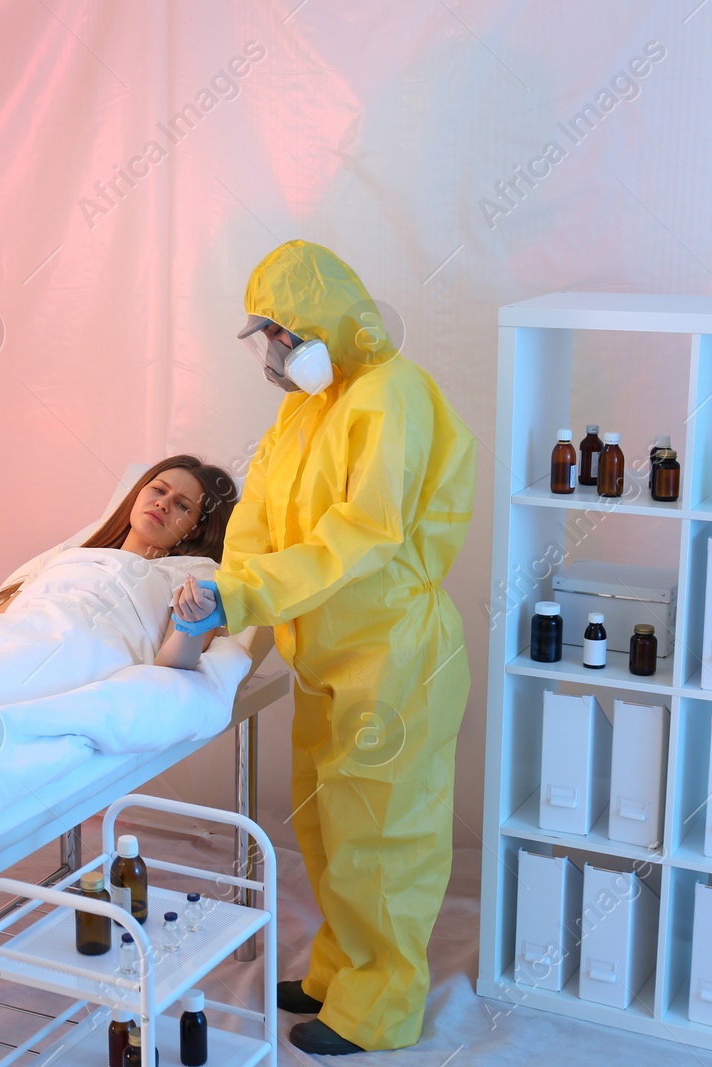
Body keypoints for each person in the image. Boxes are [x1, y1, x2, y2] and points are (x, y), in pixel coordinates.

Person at [201, 241, 477, 1054]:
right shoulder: (305, 408)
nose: (274, 358)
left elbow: (363, 533)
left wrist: (248, 594)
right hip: (324, 653)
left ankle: (380, 1005)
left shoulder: (394, 396)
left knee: (383, 837)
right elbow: (259, 516)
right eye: (266, 340)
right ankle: (337, 971)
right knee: (325, 825)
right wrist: (224, 589)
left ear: (319, 324)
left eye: (280, 335)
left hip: (393, 655)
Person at [0, 454, 236, 670]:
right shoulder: (68, 557)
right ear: (138, 493)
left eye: (181, 505)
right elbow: (0, 619)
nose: (162, 504)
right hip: (0, 647)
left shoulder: (193, 574)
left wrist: (192, 626)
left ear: (197, 528)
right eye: (158, 489)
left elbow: (169, 671)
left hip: (70, 660)